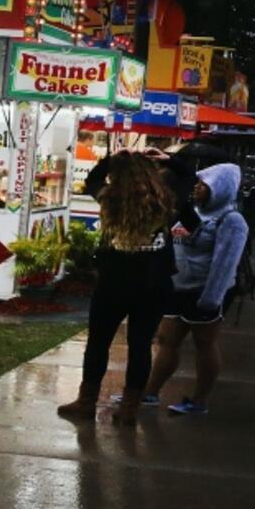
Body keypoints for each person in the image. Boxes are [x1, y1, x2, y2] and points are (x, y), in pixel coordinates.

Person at [56, 152, 177, 426]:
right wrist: (169, 160)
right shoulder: (166, 200)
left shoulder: (109, 198)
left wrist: (112, 159)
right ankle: (129, 410)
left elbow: (92, 179)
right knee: (140, 346)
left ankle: (86, 402)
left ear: (117, 175)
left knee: (99, 342)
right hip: (153, 285)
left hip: (113, 283)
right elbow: (188, 177)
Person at [143, 164, 249, 415]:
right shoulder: (191, 212)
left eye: (205, 186)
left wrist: (211, 299)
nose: (197, 189)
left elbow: (225, 263)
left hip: (204, 293)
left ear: (220, 189)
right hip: (177, 288)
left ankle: (199, 401)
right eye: (198, 184)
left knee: (204, 344)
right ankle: (149, 393)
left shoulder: (231, 220)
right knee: (167, 340)